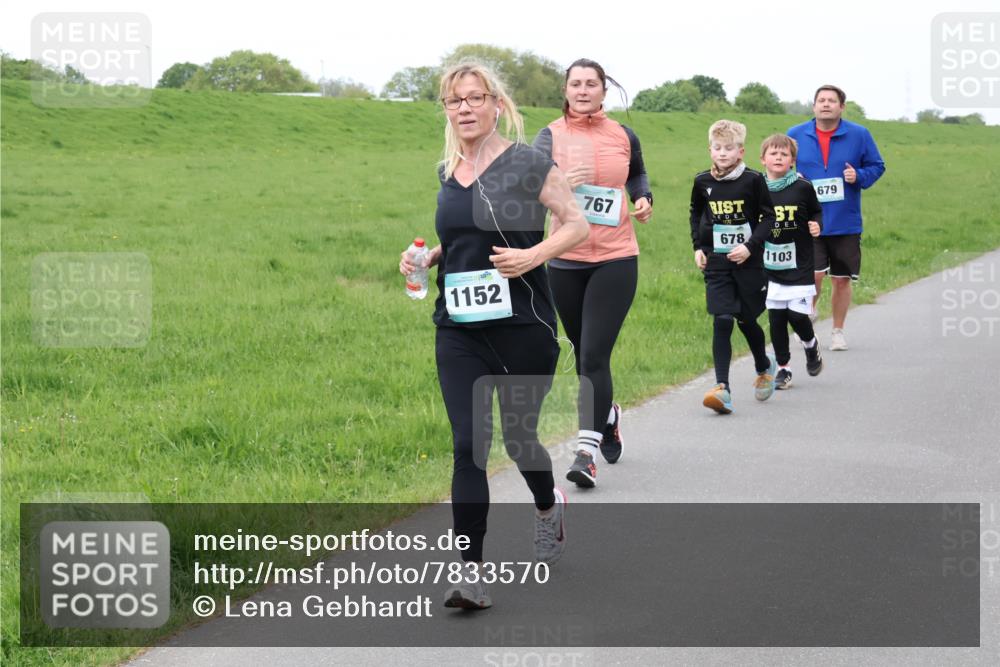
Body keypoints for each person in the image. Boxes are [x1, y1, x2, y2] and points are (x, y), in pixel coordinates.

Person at [398, 62, 589, 609]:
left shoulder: (529, 162)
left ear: (496, 105)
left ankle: (547, 508)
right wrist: (425, 259)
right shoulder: (446, 169)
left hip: (524, 326)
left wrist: (534, 254)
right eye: (453, 101)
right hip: (458, 330)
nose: (463, 108)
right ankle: (471, 574)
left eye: (474, 98)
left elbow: (575, 223)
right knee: (468, 446)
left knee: (519, 439)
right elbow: (458, 237)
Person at [532, 58, 653, 489]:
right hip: (565, 259)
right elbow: (530, 189)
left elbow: (636, 173)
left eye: (591, 84)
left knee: (594, 356)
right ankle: (609, 415)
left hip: (617, 257)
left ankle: (586, 452)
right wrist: (562, 180)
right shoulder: (548, 136)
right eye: (575, 84)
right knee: (584, 353)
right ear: (565, 91)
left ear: (605, 90)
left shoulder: (623, 134)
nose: (583, 91)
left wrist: (643, 198)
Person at [689, 120, 777, 414]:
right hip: (716, 262)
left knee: (746, 318)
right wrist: (698, 247)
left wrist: (749, 247)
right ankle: (722, 388)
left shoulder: (753, 180)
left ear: (741, 151)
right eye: (717, 148)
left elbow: (769, 218)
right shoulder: (703, 182)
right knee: (722, 318)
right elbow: (696, 213)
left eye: (729, 148)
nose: (722, 153)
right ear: (710, 149)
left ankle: (764, 367)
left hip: (749, 263)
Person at [788, 85, 885, 351]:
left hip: (845, 219)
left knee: (841, 279)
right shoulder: (795, 135)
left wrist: (860, 177)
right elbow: (781, 165)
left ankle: (837, 331)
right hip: (809, 219)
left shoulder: (859, 134)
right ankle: (810, 310)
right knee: (814, 274)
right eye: (821, 100)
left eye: (832, 100)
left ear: (842, 106)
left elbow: (878, 166)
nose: (826, 104)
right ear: (814, 106)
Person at [758, 133, 825, 389]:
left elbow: (817, 211)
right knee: (776, 318)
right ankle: (784, 369)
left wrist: (816, 225)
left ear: (792, 161)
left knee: (797, 317)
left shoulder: (802, 187)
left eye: (784, 154)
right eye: (773, 153)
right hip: (770, 262)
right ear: (763, 159)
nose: (778, 157)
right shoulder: (756, 187)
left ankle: (811, 345)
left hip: (799, 261)